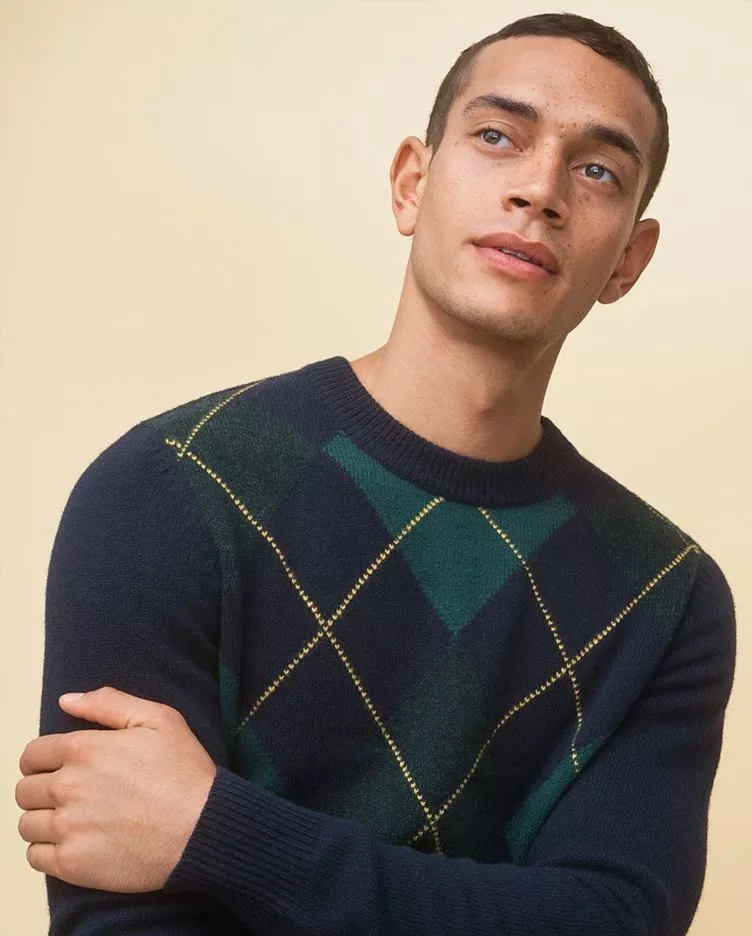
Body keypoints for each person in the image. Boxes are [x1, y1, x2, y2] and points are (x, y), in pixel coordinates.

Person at [19, 11, 736, 936]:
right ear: (412, 182)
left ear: (627, 261)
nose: (539, 188)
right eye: (496, 136)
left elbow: (612, 919)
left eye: (597, 169)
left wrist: (221, 830)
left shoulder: (667, 599)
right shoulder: (167, 490)